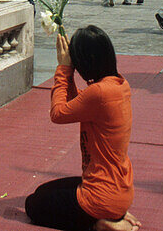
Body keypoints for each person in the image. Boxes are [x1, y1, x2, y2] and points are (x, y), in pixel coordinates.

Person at [25, 26, 140, 231]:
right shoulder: (119, 85)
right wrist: (68, 73)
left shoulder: (99, 92)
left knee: (32, 205)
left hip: (101, 197)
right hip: (118, 189)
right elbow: (79, 100)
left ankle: (100, 224)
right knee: (42, 191)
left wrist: (63, 69)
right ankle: (115, 214)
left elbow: (58, 114)